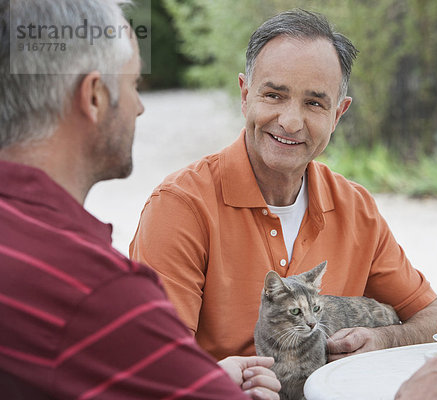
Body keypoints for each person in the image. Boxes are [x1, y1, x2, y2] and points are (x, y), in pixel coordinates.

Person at [129, 8, 437, 364]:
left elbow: (432, 320)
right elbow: (153, 368)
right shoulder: (180, 207)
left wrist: (384, 339)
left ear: (338, 115)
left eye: (314, 103)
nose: (291, 122)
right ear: (245, 96)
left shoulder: (356, 207)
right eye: (274, 96)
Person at [0, 1, 280, 398]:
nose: (141, 106)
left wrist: (196, 376)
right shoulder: (94, 290)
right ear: (94, 96)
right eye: (133, 84)